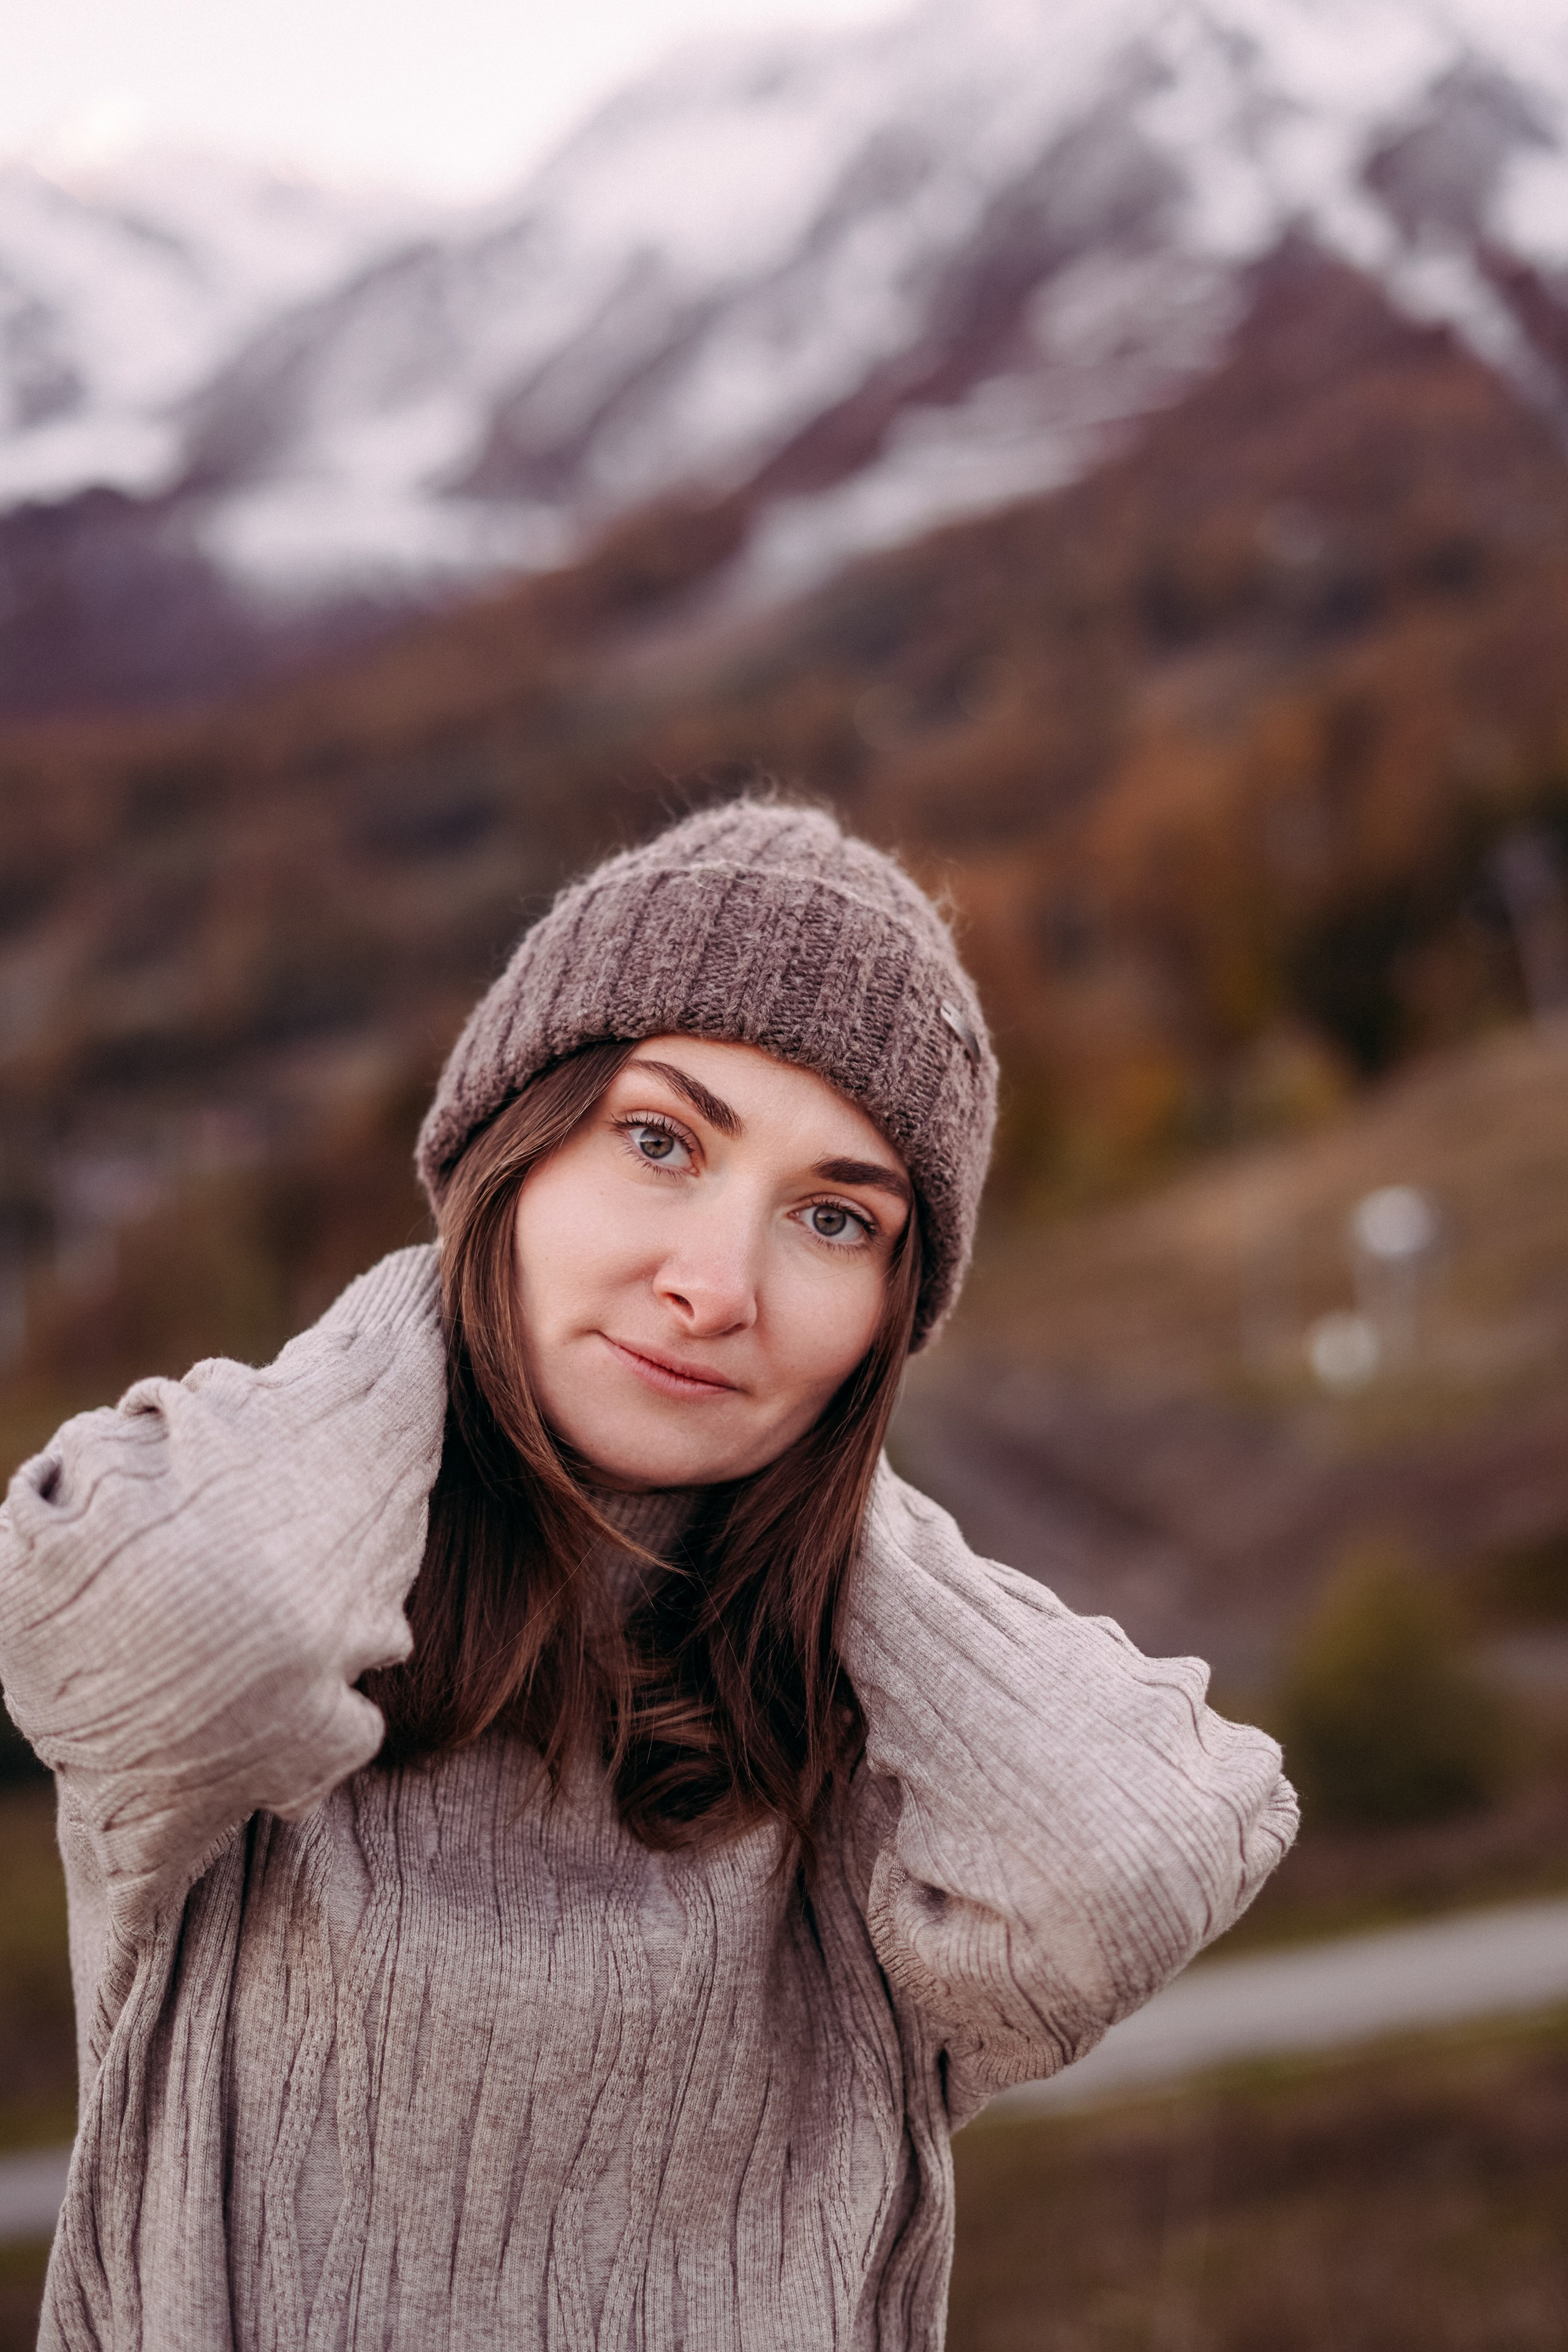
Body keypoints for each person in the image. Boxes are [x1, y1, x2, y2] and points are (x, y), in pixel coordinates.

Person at [1, 798, 1295, 2352]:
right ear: (512, 1148)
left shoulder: (864, 1764)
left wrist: (823, 1482)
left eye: (832, 1220)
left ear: (890, 1315)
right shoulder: (253, 1618)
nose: (714, 1289)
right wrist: (439, 1306)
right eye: (657, 1140)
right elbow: (205, 1625)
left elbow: (1130, 1855)